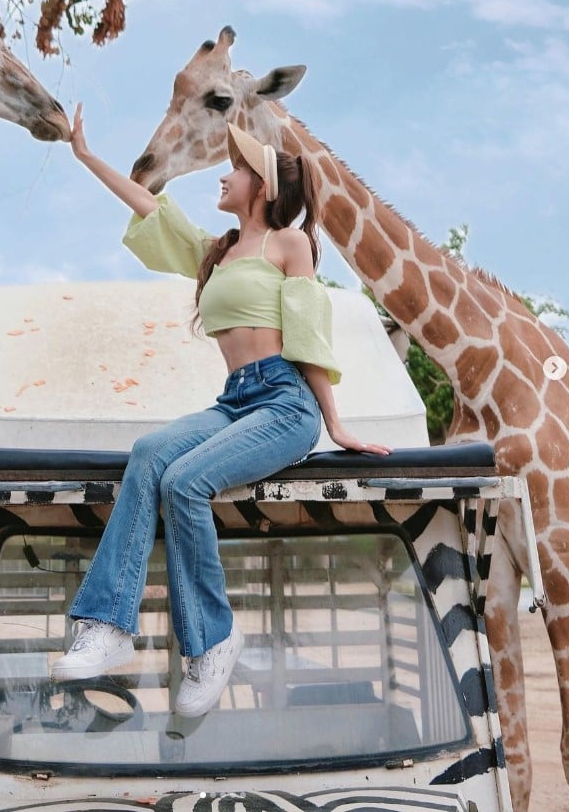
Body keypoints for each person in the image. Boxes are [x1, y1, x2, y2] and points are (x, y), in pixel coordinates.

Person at [51, 103, 392, 717]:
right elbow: (150, 207)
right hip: (236, 400)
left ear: (263, 187)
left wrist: (335, 423)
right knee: (149, 453)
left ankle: (212, 641)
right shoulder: (217, 252)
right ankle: (108, 626)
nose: (224, 175)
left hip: (285, 403)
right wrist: (86, 155)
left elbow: (307, 334)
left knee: (184, 481)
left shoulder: (289, 243)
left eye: (236, 168)